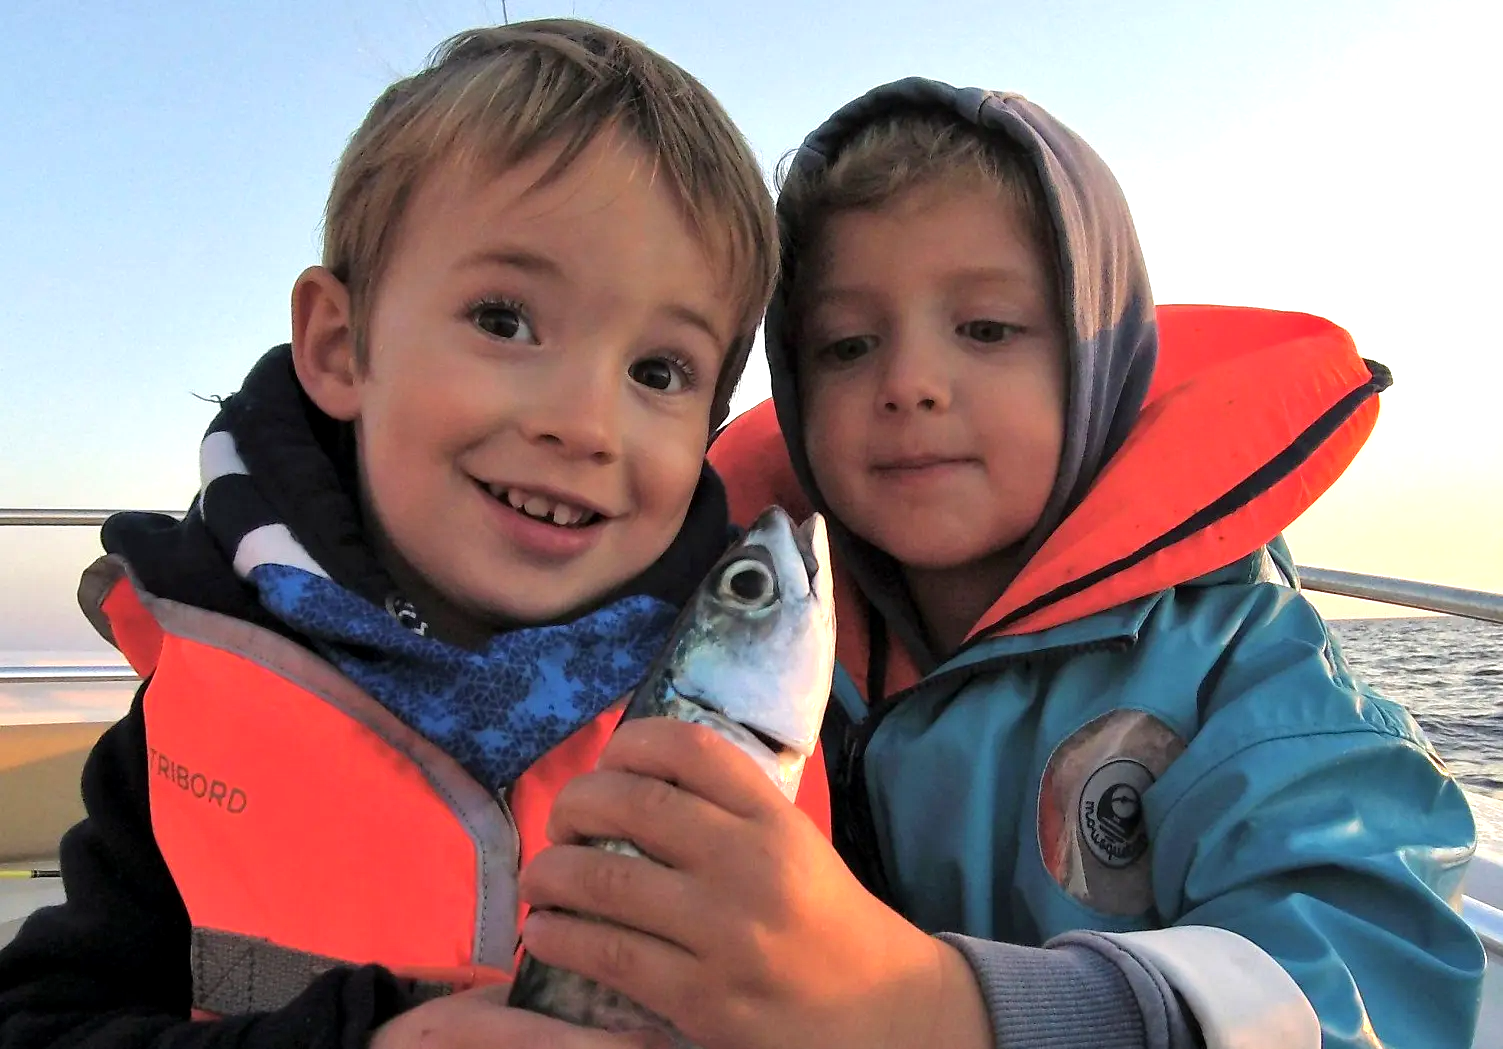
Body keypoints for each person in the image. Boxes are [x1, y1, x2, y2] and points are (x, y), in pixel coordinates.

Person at [515, 78, 1485, 1049]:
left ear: (1099, 369)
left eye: (985, 328)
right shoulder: (744, 642)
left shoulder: (1246, 673)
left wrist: (934, 1007)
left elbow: (1368, 971)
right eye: (847, 346)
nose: (909, 384)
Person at [0, 18, 809, 1049]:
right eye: (505, 320)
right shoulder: (183, 723)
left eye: (659, 371)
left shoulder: (768, 709)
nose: (585, 424)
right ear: (342, 347)